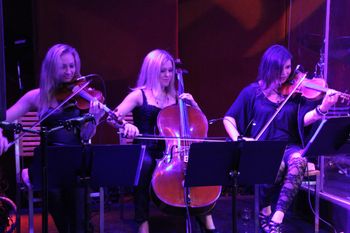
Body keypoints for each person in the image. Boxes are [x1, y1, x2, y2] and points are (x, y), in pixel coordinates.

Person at [223, 44, 339, 233]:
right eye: (281, 68)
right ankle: (264, 209)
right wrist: (239, 138)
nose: (286, 73)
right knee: (276, 166)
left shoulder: (294, 93)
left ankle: (276, 218)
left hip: (288, 147)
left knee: (300, 160)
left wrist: (324, 107)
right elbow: (229, 118)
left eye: (288, 67)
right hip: (263, 149)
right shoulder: (253, 92)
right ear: (269, 68)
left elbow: (304, 120)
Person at [111, 49, 218, 233]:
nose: (168, 75)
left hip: (170, 151)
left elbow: (200, 125)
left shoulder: (176, 97)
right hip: (145, 149)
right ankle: (143, 223)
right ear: (152, 71)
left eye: (170, 70)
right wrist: (124, 126)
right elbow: (113, 116)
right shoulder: (140, 95)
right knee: (144, 165)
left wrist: (194, 105)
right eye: (163, 71)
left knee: (196, 164)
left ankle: (207, 221)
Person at [0, 43, 104, 232]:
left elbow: (85, 135)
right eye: (63, 67)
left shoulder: (81, 95)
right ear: (51, 68)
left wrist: (94, 120)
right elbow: (4, 118)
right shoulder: (37, 97)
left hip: (75, 162)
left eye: (72, 66)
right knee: (60, 212)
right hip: (49, 163)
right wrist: (0, 134)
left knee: (80, 217)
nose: (69, 71)